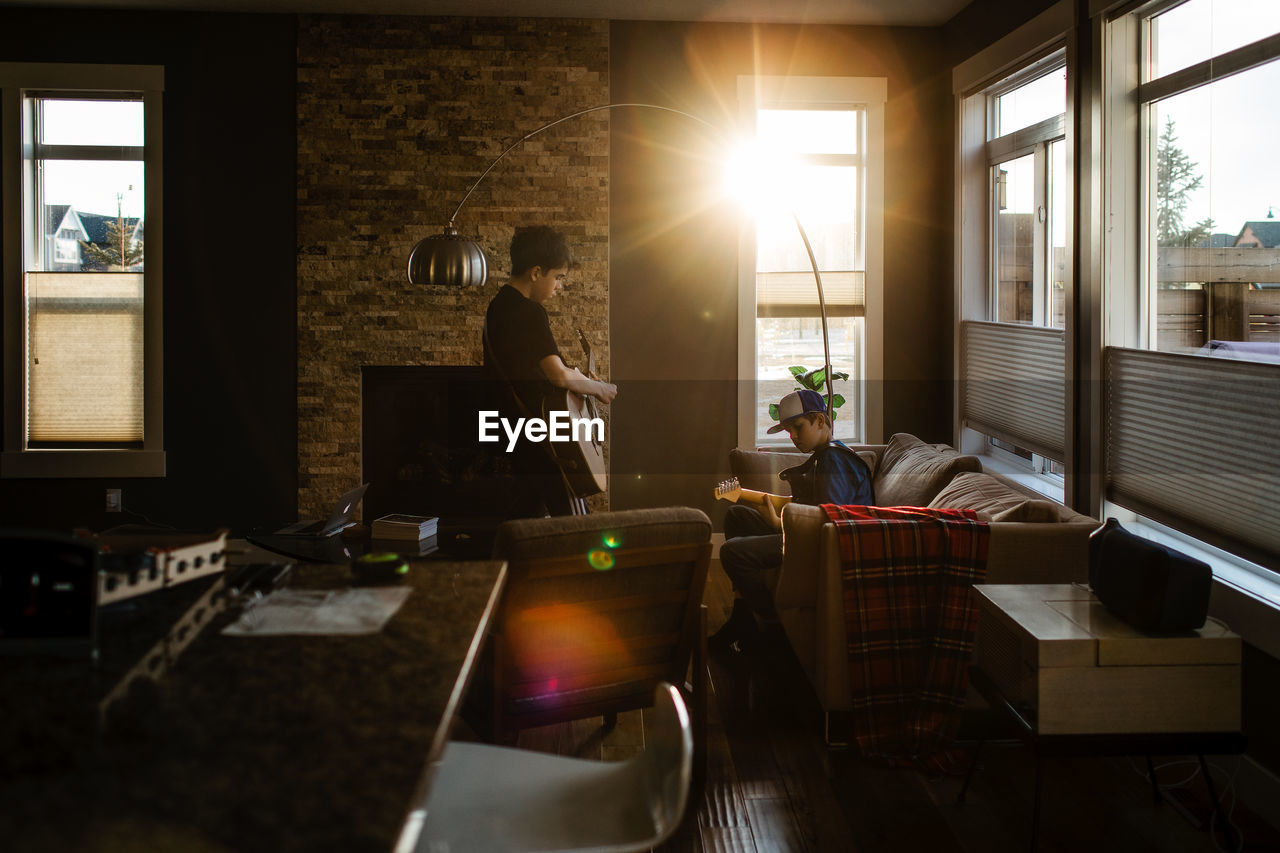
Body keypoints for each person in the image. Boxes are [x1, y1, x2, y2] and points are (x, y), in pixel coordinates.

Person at [711, 388, 873, 653]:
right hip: (808, 536)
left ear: (820, 421)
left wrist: (778, 525)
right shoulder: (825, 456)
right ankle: (743, 618)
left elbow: (827, 522)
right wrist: (748, 498)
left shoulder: (834, 460)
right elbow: (804, 508)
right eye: (788, 430)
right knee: (738, 515)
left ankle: (774, 629)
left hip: (827, 549)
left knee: (732, 553)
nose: (793, 436)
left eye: (797, 427)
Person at [483, 225, 617, 517]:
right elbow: (557, 375)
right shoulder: (530, 312)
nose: (559, 286)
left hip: (513, 434)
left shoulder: (497, 307)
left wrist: (579, 378)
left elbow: (531, 369)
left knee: (532, 524)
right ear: (535, 273)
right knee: (574, 526)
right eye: (557, 277)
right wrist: (600, 389)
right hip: (543, 440)